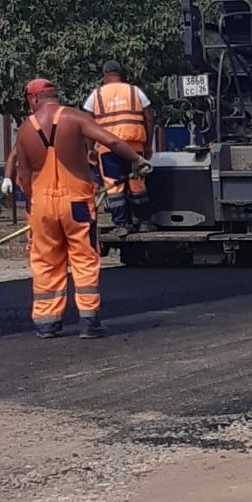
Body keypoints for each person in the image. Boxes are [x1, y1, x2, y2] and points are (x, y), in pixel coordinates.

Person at [15, 77, 152, 339]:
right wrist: (137, 159)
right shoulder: (74, 118)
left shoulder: (24, 130)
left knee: (45, 261)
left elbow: (24, 177)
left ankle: (47, 323)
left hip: (41, 205)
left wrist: (33, 211)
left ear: (33, 99)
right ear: (53, 95)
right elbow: (110, 142)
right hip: (76, 203)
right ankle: (89, 322)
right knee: (84, 258)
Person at [83, 60, 154, 234]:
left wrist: (90, 149)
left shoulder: (96, 95)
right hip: (133, 146)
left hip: (108, 148)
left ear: (105, 76)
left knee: (114, 187)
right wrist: (148, 145)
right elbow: (149, 118)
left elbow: (87, 124)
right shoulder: (135, 91)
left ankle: (121, 225)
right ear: (120, 74)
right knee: (137, 183)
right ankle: (143, 222)